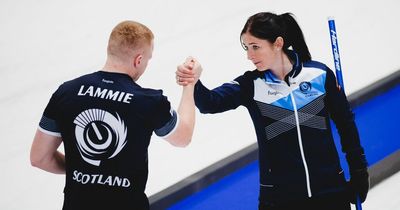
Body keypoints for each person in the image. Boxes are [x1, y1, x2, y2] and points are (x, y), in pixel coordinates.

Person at [176, 12, 369, 210]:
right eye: (247, 47)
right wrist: (195, 80)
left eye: (255, 47)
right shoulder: (251, 85)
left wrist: (359, 169)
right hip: (280, 199)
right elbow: (210, 103)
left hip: (330, 191)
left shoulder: (319, 75)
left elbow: (346, 124)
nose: (249, 55)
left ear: (278, 43)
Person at [30, 20, 198, 210]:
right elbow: (183, 138)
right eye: (148, 59)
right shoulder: (149, 101)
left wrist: (86, 169)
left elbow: (39, 158)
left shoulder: (66, 92)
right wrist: (189, 84)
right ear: (139, 60)